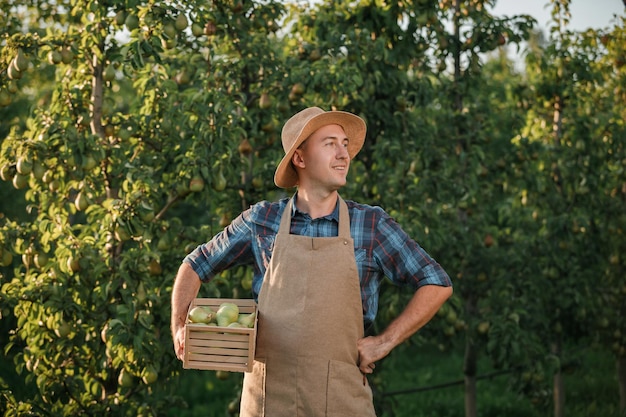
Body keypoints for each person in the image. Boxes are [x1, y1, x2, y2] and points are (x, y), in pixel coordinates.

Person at [171, 106, 453, 416]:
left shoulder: (371, 225)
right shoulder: (261, 220)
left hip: (341, 400)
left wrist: (384, 341)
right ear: (300, 158)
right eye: (330, 143)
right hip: (268, 400)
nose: (343, 153)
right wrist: (180, 325)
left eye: (345, 144)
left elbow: (436, 282)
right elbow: (196, 264)